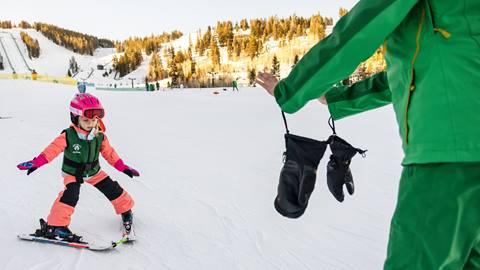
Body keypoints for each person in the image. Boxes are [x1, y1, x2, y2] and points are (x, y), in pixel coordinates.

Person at [256, 0, 480, 269]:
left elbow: (356, 35)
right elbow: (411, 70)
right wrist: (340, 98)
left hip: (451, 158)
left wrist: (291, 91)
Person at [17, 93, 140, 243]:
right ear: (75, 118)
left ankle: (126, 211)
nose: (91, 123)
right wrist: (37, 162)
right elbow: (52, 149)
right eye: (86, 120)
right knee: (70, 195)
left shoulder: (100, 136)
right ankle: (56, 226)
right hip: (73, 173)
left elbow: (110, 154)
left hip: (94, 172)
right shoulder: (68, 135)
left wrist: (123, 167)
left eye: (94, 120)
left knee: (113, 189)